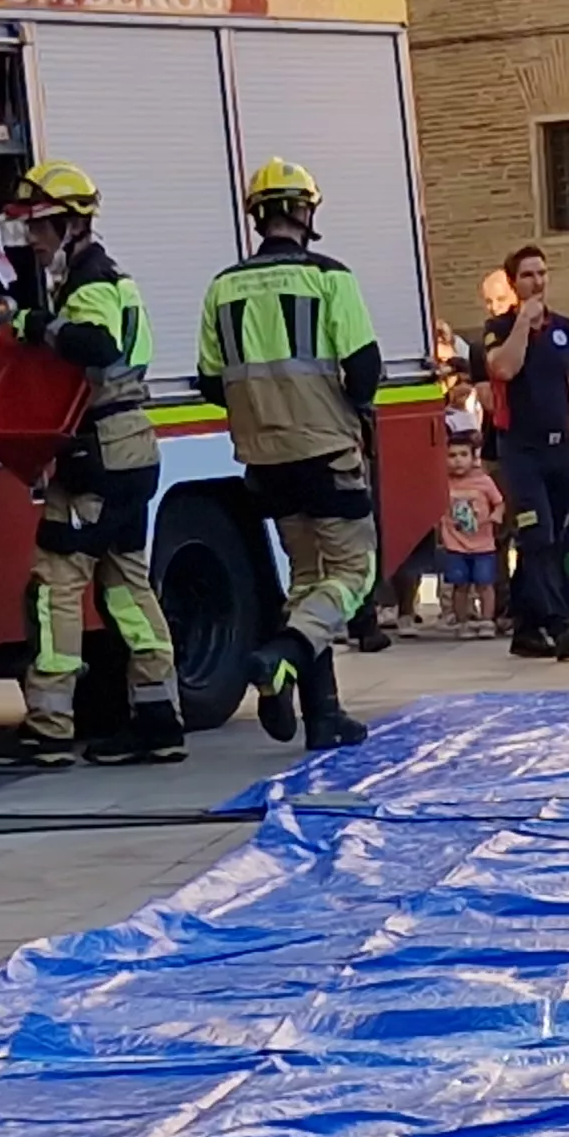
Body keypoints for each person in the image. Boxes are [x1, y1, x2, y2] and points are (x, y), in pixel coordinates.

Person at [0, 162, 185, 770]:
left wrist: (32, 325)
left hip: (98, 454)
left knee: (56, 588)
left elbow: (95, 345)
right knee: (127, 589)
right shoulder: (109, 279)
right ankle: (158, 720)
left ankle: (48, 728)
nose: (32, 240)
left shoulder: (90, 283)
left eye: (40, 227)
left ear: (70, 224)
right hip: (130, 451)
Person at [198, 158, 382, 750]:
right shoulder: (331, 279)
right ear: (306, 212)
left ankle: (322, 716)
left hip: (263, 459)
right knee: (354, 573)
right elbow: (364, 368)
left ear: (257, 215)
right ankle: (283, 655)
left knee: (306, 578)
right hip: (326, 448)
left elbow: (209, 381)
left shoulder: (222, 287)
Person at [479, 245, 569, 662]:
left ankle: (527, 626)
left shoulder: (565, 329)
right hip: (521, 450)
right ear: (514, 284)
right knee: (537, 535)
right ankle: (557, 621)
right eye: (528, 275)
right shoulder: (497, 327)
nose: (537, 281)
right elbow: (503, 369)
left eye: (542, 273)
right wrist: (522, 325)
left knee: (567, 536)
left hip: (561, 449)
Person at [436, 441, 502, 628]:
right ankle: (462, 621)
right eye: (452, 455)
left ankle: (487, 620)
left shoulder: (484, 482)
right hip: (455, 545)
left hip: (483, 545)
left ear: (474, 458)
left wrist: (496, 515)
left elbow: (499, 502)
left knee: (485, 584)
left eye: (463, 455)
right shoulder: (443, 483)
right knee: (460, 586)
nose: (458, 460)